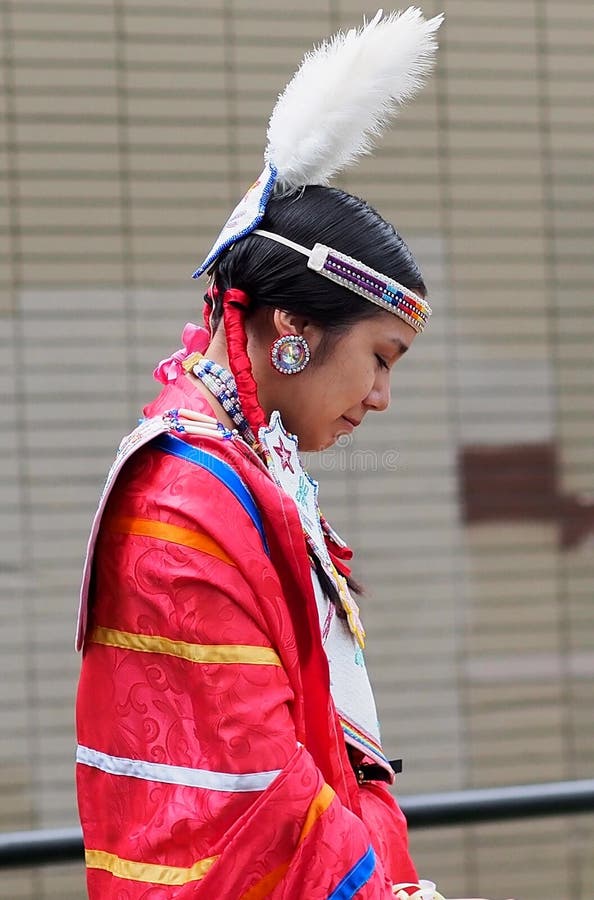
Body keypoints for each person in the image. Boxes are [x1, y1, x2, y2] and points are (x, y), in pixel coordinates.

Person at [75, 10, 513, 900]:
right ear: (294, 329)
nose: (384, 396)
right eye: (380, 359)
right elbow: (253, 791)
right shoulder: (183, 497)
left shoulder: (251, 473)